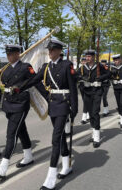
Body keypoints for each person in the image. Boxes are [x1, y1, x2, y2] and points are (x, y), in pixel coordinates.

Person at [20, 39, 78, 190]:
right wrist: (20, 87)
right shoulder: (46, 67)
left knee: (55, 139)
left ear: (59, 51)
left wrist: (75, 108)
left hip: (64, 104)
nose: (50, 52)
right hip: (53, 105)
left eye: (52, 50)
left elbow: (73, 88)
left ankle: (51, 178)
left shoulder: (67, 65)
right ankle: (66, 166)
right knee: (60, 138)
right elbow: (34, 79)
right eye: (49, 50)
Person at [0, 45, 40, 178]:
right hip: (7, 104)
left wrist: (48, 97)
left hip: (20, 104)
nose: (9, 56)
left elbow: (36, 81)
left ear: (18, 54)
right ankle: (28, 156)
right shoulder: (5, 69)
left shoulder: (25, 67)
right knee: (21, 130)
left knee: (11, 133)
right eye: (7, 54)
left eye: (12, 53)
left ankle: (3, 167)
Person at [77, 50, 109, 148]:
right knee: (91, 114)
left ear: (94, 57)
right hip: (87, 92)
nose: (87, 58)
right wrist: (82, 78)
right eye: (86, 56)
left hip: (97, 91)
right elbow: (76, 76)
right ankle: (94, 130)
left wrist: (101, 78)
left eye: (89, 56)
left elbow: (108, 74)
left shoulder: (99, 66)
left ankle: (97, 137)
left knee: (95, 112)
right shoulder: (83, 68)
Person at [110, 54, 122, 128]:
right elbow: (109, 77)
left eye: (117, 60)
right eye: (115, 60)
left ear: (120, 60)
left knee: (121, 103)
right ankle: (121, 117)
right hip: (116, 88)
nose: (116, 61)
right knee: (118, 104)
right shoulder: (112, 68)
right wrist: (112, 80)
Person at [78, 57, 90, 124]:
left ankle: (84, 118)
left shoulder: (89, 68)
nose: (84, 62)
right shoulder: (80, 68)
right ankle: (88, 115)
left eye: (85, 61)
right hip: (82, 87)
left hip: (88, 87)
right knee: (85, 101)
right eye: (82, 61)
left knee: (86, 101)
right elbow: (76, 76)